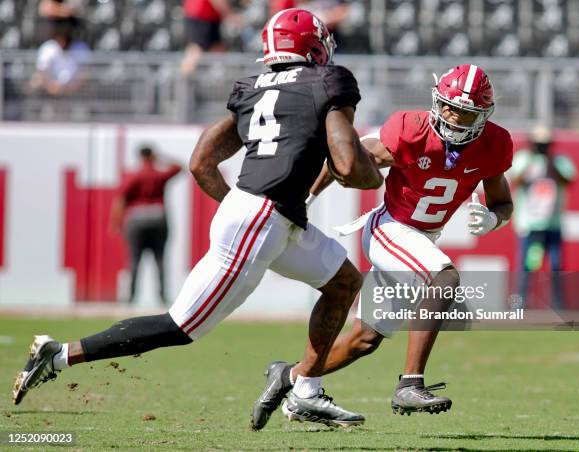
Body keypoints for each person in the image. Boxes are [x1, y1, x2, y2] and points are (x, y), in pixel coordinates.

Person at [12, 8, 383, 428]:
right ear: (314, 47)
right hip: (264, 219)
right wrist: (378, 172)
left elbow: (201, 162)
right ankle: (59, 355)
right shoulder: (328, 80)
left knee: (344, 283)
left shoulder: (253, 87)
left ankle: (304, 392)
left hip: (268, 216)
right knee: (181, 326)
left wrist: (238, 207)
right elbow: (350, 167)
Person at [251, 64, 514, 429]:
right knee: (445, 278)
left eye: (465, 111)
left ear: (483, 115)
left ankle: (291, 377)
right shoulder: (412, 129)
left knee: (364, 339)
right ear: (437, 100)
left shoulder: (493, 144)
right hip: (391, 229)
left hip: (423, 238)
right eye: (449, 105)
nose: (453, 116)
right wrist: (308, 197)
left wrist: (493, 219)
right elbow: (349, 154)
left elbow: (503, 202)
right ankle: (410, 384)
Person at [510, 126, 577, 309]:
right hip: (528, 223)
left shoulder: (559, 161)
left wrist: (550, 162)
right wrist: (532, 161)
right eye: (539, 144)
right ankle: (520, 303)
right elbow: (515, 180)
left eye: (545, 144)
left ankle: (557, 304)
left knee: (556, 265)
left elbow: (569, 180)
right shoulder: (524, 159)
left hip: (552, 223)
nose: (542, 147)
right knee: (526, 265)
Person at [109, 146, 182, 305]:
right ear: (152, 156)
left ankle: (131, 298)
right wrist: (160, 157)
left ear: (140, 157)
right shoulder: (159, 175)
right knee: (160, 259)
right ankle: (163, 297)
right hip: (158, 218)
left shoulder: (135, 176)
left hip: (137, 220)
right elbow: (179, 167)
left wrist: (116, 222)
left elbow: (121, 199)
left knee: (134, 259)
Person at [181, 0, 242, 74]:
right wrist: (229, 15)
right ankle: (185, 80)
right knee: (195, 51)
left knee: (217, 49)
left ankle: (218, 80)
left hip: (209, 17)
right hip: (201, 16)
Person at [29, 28, 89, 96]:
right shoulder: (49, 47)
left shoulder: (80, 47)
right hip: (50, 90)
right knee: (35, 80)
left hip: (74, 92)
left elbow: (85, 73)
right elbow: (41, 72)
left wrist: (70, 88)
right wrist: (51, 86)